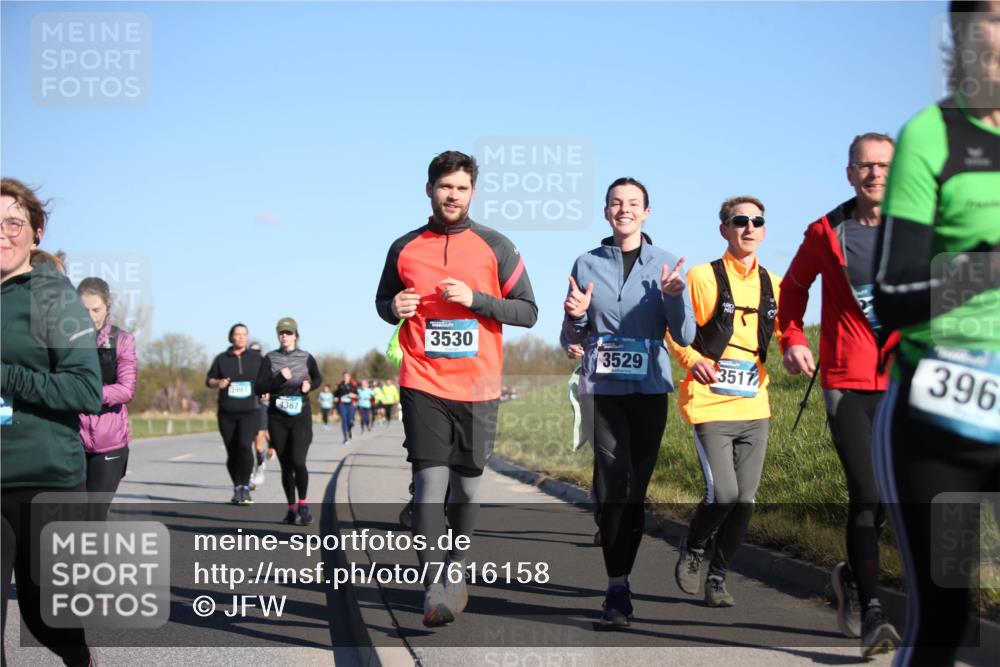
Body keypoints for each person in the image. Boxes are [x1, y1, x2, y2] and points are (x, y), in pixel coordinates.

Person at [872, 3, 999, 664]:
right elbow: (891, 300)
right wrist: (982, 270)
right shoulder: (933, 135)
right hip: (943, 421)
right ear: (960, 35)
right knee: (947, 617)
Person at [376, 150, 537, 627]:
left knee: (466, 491)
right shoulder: (404, 247)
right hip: (422, 381)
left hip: (479, 387)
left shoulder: (496, 246)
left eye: (462, 188)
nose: (453, 195)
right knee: (429, 485)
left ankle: (457, 567)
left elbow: (528, 311)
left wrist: (478, 301)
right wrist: (395, 306)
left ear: (472, 192)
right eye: (445, 186)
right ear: (430, 189)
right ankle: (432, 589)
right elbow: (383, 300)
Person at [777, 131, 901, 655]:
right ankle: (874, 615)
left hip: (906, 383)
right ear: (850, 173)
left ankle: (851, 574)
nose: (875, 174)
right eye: (865, 166)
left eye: (884, 166)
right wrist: (793, 337)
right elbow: (793, 290)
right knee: (866, 492)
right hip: (846, 381)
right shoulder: (828, 232)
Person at [561, 177, 694, 626]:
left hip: (650, 389)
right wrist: (576, 316)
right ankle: (617, 588)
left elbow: (687, 334)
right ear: (606, 212)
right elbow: (571, 337)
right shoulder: (586, 262)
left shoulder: (669, 264)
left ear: (647, 212)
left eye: (633, 203)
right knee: (614, 483)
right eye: (616, 203)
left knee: (634, 493)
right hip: (604, 391)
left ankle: (623, 575)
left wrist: (675, 300)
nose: (624, 210)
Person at [1, 177, 102, 667]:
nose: (2, 233)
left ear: (35, 232)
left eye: (13, 223)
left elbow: (86, 390)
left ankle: (79, 660)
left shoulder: (54, 298)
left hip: (42, 480)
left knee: (48, 617)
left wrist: (5, 378)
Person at [669, 196, 780, 609]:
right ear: (725, 230)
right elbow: (674, 331)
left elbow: (787, 333)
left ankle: (718, 577)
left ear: (764, 230)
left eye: (757, 221)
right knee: (725, 494)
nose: (749, 228)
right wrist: (694, 360)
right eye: (740, 221)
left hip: (755, 408)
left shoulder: (773, 282)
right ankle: (694, 546)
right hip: (711, 405)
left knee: (745, 501)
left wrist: (800, 350)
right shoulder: (703, 276)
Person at [77, 277, 138, 517]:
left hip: (109, 442)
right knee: (69, 513)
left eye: (96, 309)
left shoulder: (122, 340)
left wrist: (84, 393)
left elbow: (126, 389)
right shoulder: (62, 341)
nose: (90, 316)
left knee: (94, 514)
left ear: (107, 305)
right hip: (72, 440)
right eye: (83, 310)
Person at [255, 317, 322, 525]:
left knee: (298, 461)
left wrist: (309, 385)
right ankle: (291, 509)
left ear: (296, 335)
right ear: (278, 335)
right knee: (285, 466)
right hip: (277, 417)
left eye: (288, 332)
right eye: (281, 333)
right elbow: (259, 387)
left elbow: (318, 379)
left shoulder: (306, 357)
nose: (284, 336)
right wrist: (278, 379)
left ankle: (303, 504)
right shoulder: (270, 358)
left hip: (301, 415)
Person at [206, 323, 264, 505]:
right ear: (231, 337)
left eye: (244, 334)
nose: (241, 337)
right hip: (227, 412)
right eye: (237, 334)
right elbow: (209, 380)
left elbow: (267, 379)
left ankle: (246, 487)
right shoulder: (222, 359)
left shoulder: (257, 358)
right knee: (232, 452)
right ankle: (237, 486)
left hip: (250, 411)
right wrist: (218, 383)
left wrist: (267, 390)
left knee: (245, 447)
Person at [249, 341, 269, 488]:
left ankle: (260, 465)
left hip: (261, 406)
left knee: (258, 442)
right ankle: (248, 475)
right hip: (245, 406)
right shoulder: (244, 367)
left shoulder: (265, 366)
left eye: (257, 352)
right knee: (246, 443)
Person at [334, 371, 358, 443]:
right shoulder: (340, 384)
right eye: (344, 376)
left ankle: (350, 430)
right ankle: (345, 438)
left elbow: (357, 394)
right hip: (342, 404)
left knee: (350, 420)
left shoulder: (353, 384)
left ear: (350, 377)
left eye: (347, 376)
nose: (346, 377)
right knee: (344, 420)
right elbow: (336, 394)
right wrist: (336, 398)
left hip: (351, 404)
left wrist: (353, 395)